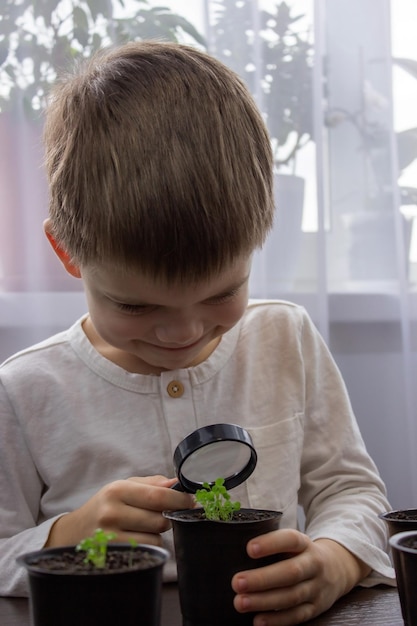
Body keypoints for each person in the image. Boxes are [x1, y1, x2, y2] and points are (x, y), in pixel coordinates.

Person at [0, 40, 394, 624]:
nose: (182, 332)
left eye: (221, 294)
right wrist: (69, 534)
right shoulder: (25, 389)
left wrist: (337, 560)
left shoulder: (286, 338)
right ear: (67, 250)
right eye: (134, 305)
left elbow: (352, 491)